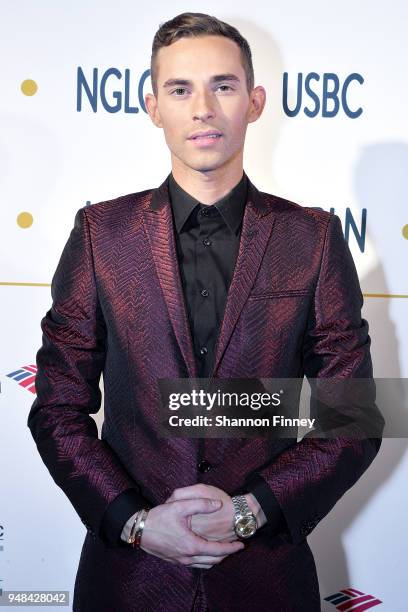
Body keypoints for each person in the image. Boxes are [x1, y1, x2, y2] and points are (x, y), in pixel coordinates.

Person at [27, 12, 383, 612]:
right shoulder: (101, 234)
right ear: (152, 106)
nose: (203, 108)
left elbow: (353, 418)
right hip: (128, 582)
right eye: (180, 89)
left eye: (223, 85)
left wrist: (251, 511)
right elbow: (58, 409)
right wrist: (137, 522)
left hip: (266, 579)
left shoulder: (313, 239)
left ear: (256, 101)